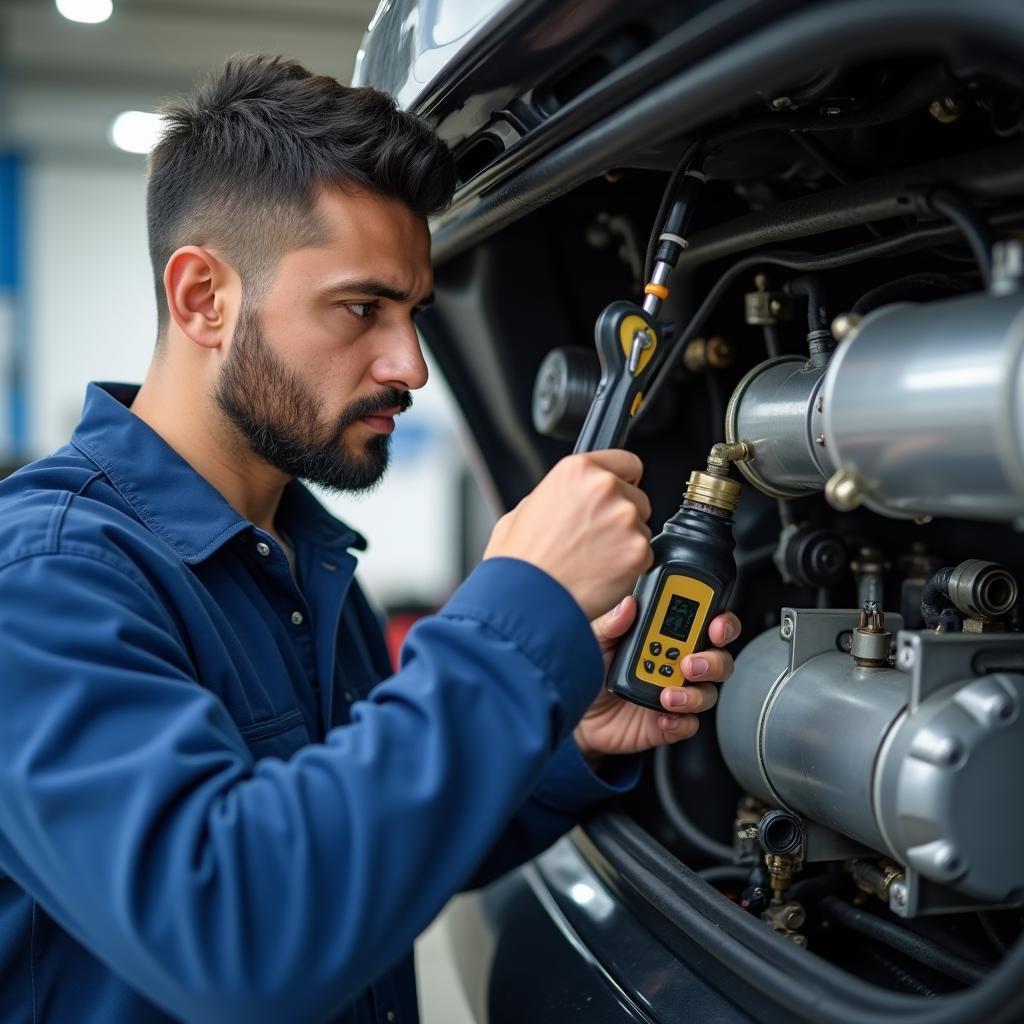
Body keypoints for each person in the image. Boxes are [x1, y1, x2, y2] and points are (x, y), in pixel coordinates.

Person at [0, 56, 739, 1023]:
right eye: (362, 308)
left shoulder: (299, 554)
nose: (411, 365)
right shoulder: (48, 579)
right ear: (202, 300)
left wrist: (569, 733)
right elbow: (247, 930)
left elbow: (365, 852)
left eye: (415, 312)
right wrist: (518, 607)